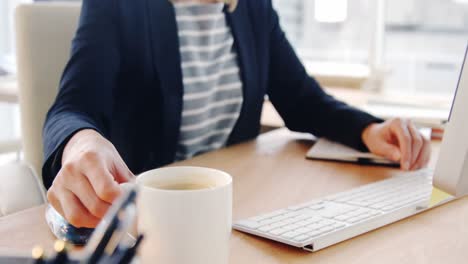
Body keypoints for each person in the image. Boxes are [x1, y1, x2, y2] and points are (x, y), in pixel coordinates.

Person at [43, 0, 431, 228]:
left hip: (236, 210)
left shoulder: (252, 8)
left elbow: (301, 99)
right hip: (154, 221)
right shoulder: (120, 7)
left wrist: (369, 129)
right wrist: (81, 144)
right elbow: (72, 108)